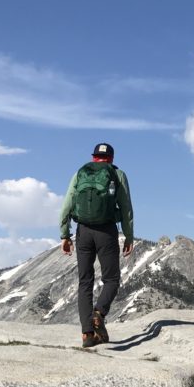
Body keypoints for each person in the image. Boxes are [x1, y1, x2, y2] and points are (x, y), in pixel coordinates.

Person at [59, 142, 135, 348]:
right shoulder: (117, 174)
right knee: (111, 279)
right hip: (106, 231)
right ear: (111, 158)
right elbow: (126, 207)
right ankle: (99, 313)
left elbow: (67, 203)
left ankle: (87, 335)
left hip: (82, 231)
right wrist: (129, 236)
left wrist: (64, 235)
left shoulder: (80, 173)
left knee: (85, 282)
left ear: (93, 157)